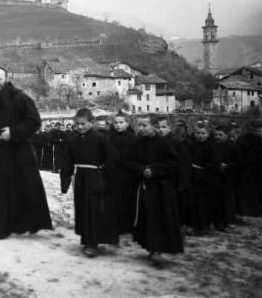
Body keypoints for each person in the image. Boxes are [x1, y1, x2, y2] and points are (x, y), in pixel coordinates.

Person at [0, 67, 52, 240]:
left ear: (6, 79)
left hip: (18, 152)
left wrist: (14, 132)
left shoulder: (20, 98)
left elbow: (34, 121)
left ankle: (21, 225)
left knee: (21, 188)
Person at [60, 108, 119, 257]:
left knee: (95, 209)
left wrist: (110, 179)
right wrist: (65, 182)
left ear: (92, 123)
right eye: (77, 124)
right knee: (83, 209)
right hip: (80, 178)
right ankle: (87, 241)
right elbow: (67, 162)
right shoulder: (71, 139)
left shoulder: (100, 138)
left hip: (97, 177)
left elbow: (111, 159)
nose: (80, 127)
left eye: (83, 123)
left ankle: (94, 242)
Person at [126, 114, 183, 262]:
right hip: (144, 187)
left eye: (145, 125)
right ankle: (151, 247)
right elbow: (128, 160)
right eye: (139, 125)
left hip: (161, 188)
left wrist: (155, 170)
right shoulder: (136, 143)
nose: (141, 128)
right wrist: (141, 170)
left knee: (160, 218)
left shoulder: (164, 143)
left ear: (154, 126)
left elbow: (173, 162)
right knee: (148, 218)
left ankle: (158, 249)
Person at [108, 111, 137, 234]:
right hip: (114, 173)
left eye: (121, 122)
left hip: (128, 172)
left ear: (127, 123)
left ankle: (129, 225)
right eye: (116, 123)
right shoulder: (109, 138)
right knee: (115, 199)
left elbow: (134, 155)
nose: (118, 125)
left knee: (128, 199)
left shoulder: (132, 138)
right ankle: (117, 224)